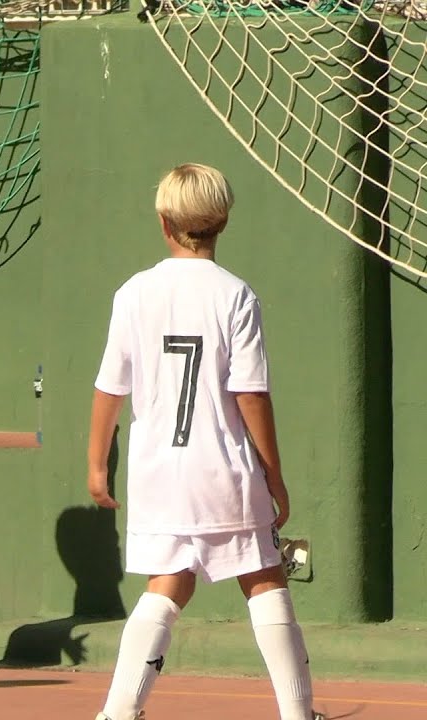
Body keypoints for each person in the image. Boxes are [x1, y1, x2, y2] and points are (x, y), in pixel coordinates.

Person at [87, 164, 322, 720]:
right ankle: (297, 713)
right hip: (223, 469)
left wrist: (97, 465)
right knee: (263, 578)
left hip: (157, 474)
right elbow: (251, 395)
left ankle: (117, 712)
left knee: (168, 584)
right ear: (222, 221)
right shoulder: (236, 295)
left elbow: (108, 389)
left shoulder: (134, 293)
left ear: (164, 221)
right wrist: (274, 475)